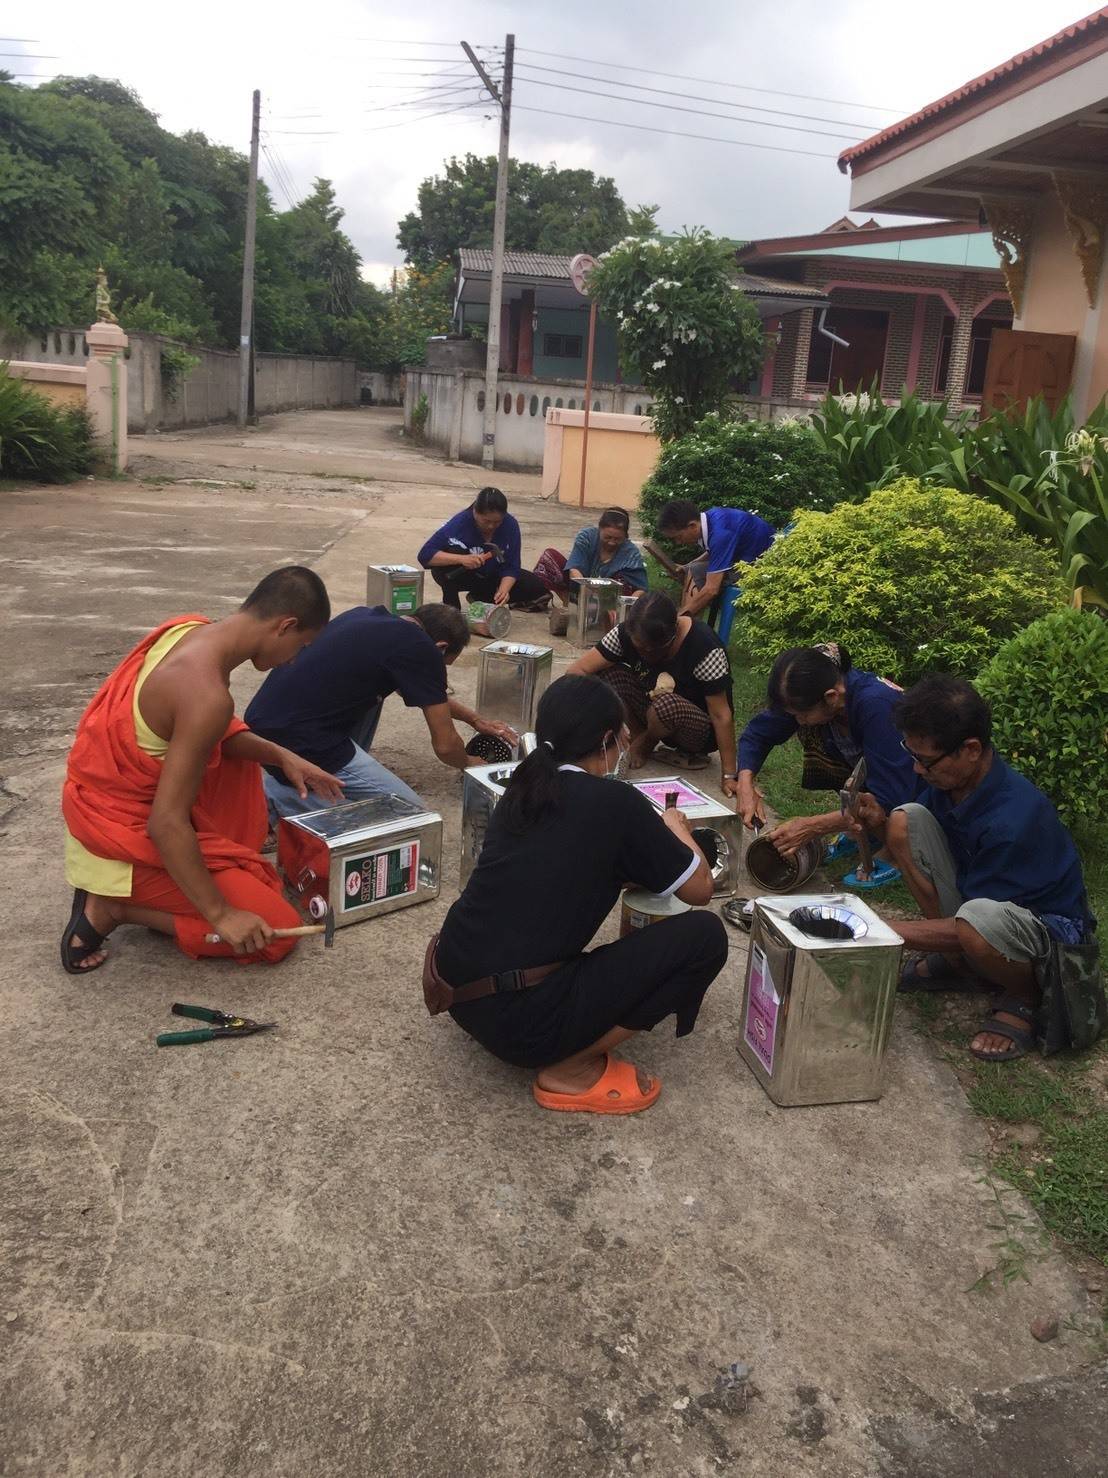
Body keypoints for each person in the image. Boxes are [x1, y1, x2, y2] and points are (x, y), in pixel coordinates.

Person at [428, 675, 727, 1114]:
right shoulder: (616, 802)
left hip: (452, 987)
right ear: (607, 739)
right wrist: (677, 829)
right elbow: (699, 889)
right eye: (622, 734)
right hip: (520, 1025)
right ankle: (571, 1068)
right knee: (706, 937)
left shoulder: (523, 787)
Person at [60, 567, 344, 974]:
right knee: (274, 930)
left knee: (240, 799)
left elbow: (201, 732)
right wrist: (220, 914)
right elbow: (165, 823)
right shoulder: (206, 695)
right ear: (286, 626)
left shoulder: (189, 630)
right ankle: (112, 907)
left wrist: (281, 756)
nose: (294, 659)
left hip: (96, 807)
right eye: (301, 646)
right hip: (119, 835)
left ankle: (142, 892)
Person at [846, 676, 1094, 1063]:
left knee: (975, 924)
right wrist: (878, 824)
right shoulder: (953, 781)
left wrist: (875, 929)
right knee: (903, 821)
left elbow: (976, 922)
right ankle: (963, 963)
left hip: (1049, 934)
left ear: (971, 750)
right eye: (912, 754)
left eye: (926, 760)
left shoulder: (1013, 820)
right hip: (986, 904)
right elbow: (925, 849)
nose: (916, 769)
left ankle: (1024, 995)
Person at [245, 603, 517, 818]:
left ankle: (300, 780)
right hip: (300, 738)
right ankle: (275, 799)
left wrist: (474, 719)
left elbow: (425, 693)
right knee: (410, 814)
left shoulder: (367, 617)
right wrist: (468, 762)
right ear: (441, 647)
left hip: (262, 724)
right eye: (444, 664)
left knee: (377, 692)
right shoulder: (422, 649)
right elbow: (445, 746)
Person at [737, 643, 920, 889]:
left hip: (915, 791)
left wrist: (812, 826)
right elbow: (758, 735)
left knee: (894, 811)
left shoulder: (876, 705)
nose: (797, 721)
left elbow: (891, 794)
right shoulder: (815, 691)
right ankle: (862, 830)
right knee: (819, 736)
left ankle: (896, 850)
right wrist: (745, 784)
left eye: (800, 715)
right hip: (879, 781)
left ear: (831, 697)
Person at [566, 591, 739, 794]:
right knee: (607, 675)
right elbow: (578, 671)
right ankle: (637, 733)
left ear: (673, 634)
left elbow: (721, 715)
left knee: (666, 705)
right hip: (651, 707)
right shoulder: (625, 633)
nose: (644, 654)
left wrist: (729, 775)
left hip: (695, 730)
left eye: (651, 650)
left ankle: (647, 741)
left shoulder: (705, 647)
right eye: (639, 647)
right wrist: (580, 725)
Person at [417, 486, 551, 611]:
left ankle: (481, 597)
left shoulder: (510, 525)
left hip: (493, 574)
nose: (491, 526)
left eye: (497, 522)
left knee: (536, 586)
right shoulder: (459, 523)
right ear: (475, 512)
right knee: (449, 556)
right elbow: (425, 555)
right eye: (486, 521)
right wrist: (462, 559)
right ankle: (451, 608)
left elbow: (512, 565)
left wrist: (504, 589)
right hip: (465, 575)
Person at [656, 498, 775, 621]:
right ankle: (688, 622)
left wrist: (678, 617)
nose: (678, 542)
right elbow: (715, 551)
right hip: (748, 558)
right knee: (692, 569)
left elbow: (711, 589)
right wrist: (688, 566)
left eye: (678, 537)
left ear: (692, 526)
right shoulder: (713, 518)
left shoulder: (720, 535)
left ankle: (685, 623)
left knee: (696, 573)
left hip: (762, 568)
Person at [533, 506, 648, 602]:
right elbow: (574, 569)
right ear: (599, 529)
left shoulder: (631, 553)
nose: (612, 542)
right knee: (549, 557)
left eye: (617, 539)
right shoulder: (586, 537)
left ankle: (609, 615)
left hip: (610, 598)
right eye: (607, 537)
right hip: (581, 586)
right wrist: (587, 590)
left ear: (625, 536)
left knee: (625, 584)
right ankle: (570, 604)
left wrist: (627, 605)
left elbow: (640, 588)